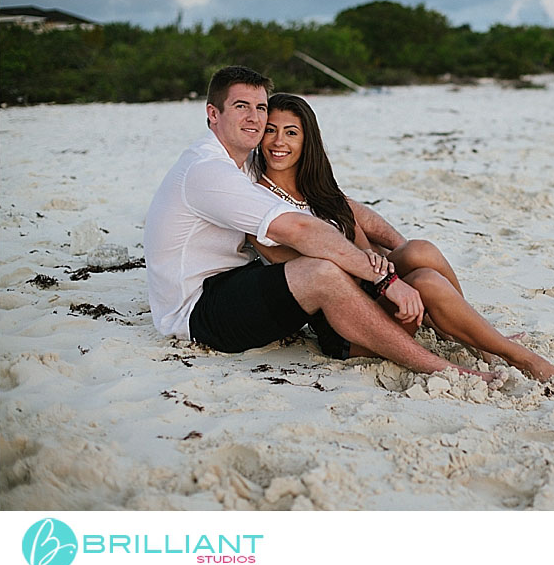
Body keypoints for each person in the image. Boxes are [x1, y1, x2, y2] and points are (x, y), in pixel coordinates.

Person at [144, 65, 500, 383]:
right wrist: (386, 279)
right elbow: (300, 230)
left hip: (235, 279)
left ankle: (467, 330)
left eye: (260, 108)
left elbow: (345, 206)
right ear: (213, 113)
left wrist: (398, 251)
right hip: (196, 311)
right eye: (241, 107)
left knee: (416, 252)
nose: (254, 118)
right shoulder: (209, 170)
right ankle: (438, 367)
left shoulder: (246, 161)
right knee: (320, 272)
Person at [247, 92, 554, 381]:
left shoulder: (318, 190)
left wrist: (371, 259)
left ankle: (473, 335)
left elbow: (357, 237)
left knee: (420, 252)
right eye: (271, 130)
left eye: (291, 132)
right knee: (426, 282)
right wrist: (371, 267)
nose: (279, 142)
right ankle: (514, 354)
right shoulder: (254, 200)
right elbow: (293, 266)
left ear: (307, 141)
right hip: (346, 321)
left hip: (373, 288)